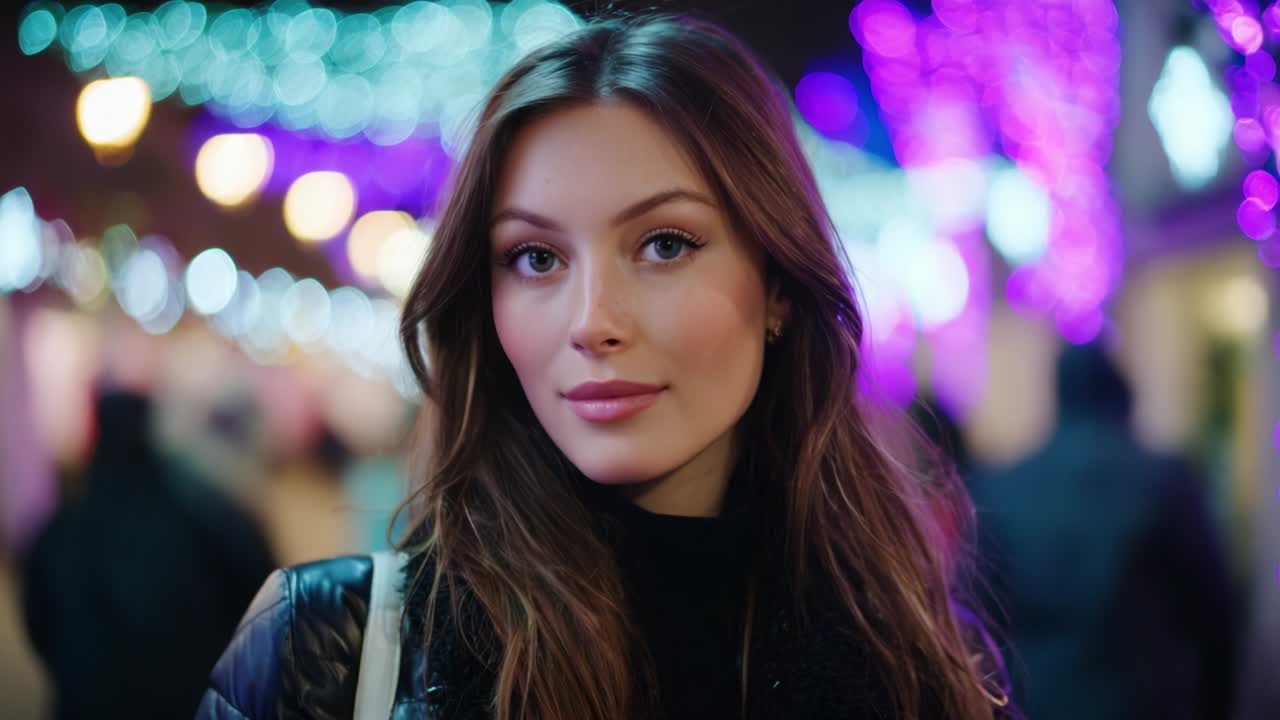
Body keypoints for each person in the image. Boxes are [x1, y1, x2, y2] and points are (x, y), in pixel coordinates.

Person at [198, 14, 1009, 720]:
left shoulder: (913, 666)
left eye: (665, 245)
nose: (593, 322)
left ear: (778, 289)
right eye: (536, 257)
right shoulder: (324, 650)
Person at [967, 342, 1239, 720]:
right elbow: (1216, 614)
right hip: (1147, 702)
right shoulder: (1168, 480)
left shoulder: (1001, 485)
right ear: (1123, 392)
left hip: (1039, 703)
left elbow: (982, 617)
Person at [22, 390, 276, 718]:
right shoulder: (204, 518)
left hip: (86, 702)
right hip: (188, 700)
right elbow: (260, 595)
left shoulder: (60, 531)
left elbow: (39, 620)